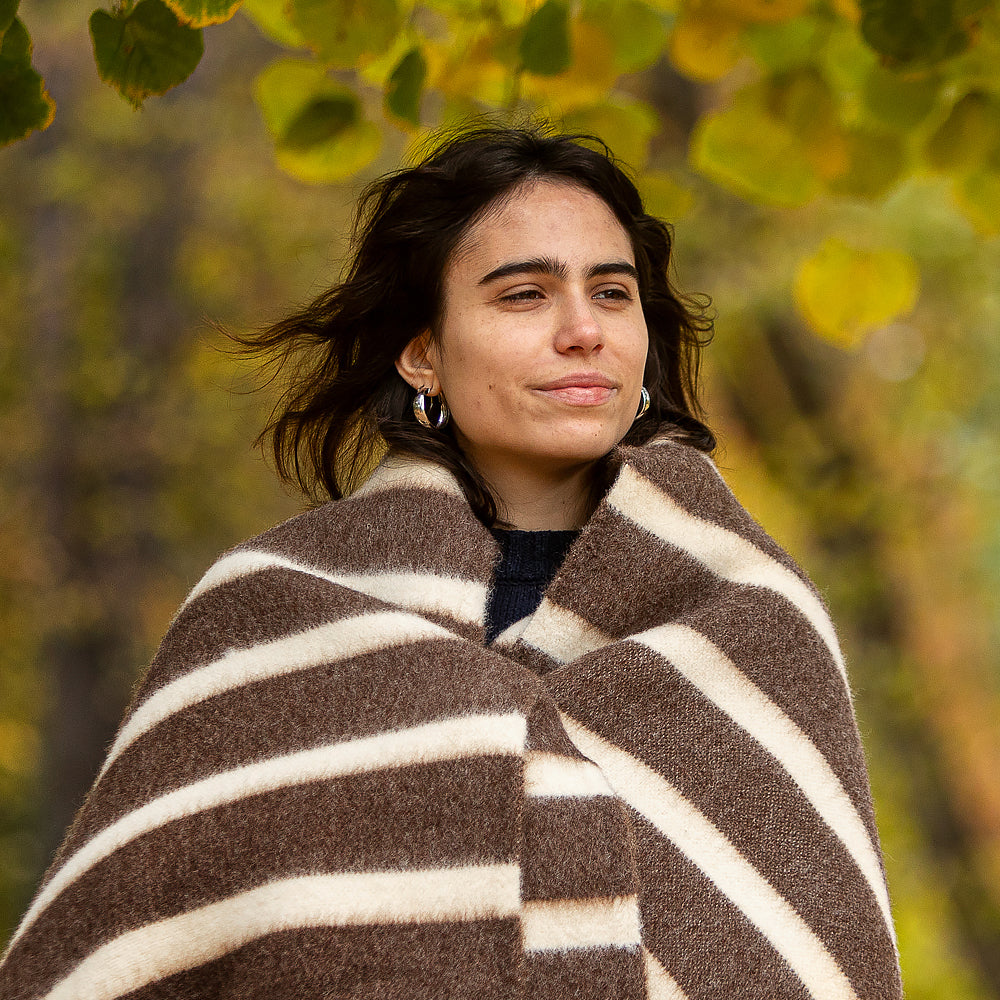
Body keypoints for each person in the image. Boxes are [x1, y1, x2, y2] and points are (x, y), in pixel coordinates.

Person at [0, 126, 902, 1000]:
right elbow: (114, 953)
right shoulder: (278, 615)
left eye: (613, 292)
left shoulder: (752, 619)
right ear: (423, 351)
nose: (584, 330)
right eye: (524, 295)